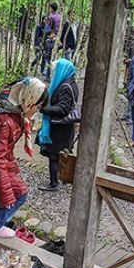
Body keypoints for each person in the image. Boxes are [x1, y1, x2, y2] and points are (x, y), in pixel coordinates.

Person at [0, 78, 48, 238]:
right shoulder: (4, 122)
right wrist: (6, 192)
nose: (38, 110)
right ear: (28, 100)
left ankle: (1, 220)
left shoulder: (13, 115)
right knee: (19, 194)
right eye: (38, 106)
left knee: (7, 193)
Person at [37, 58, 80, 191]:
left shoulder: (65, 87)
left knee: (54, 155)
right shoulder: (69, 83)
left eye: (56, 69)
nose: (53, 72)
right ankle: (61, 178)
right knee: (59, 154)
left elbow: (63, 110)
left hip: (60, 128)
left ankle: (54, 183)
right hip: (63, 128)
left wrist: (42, 108)